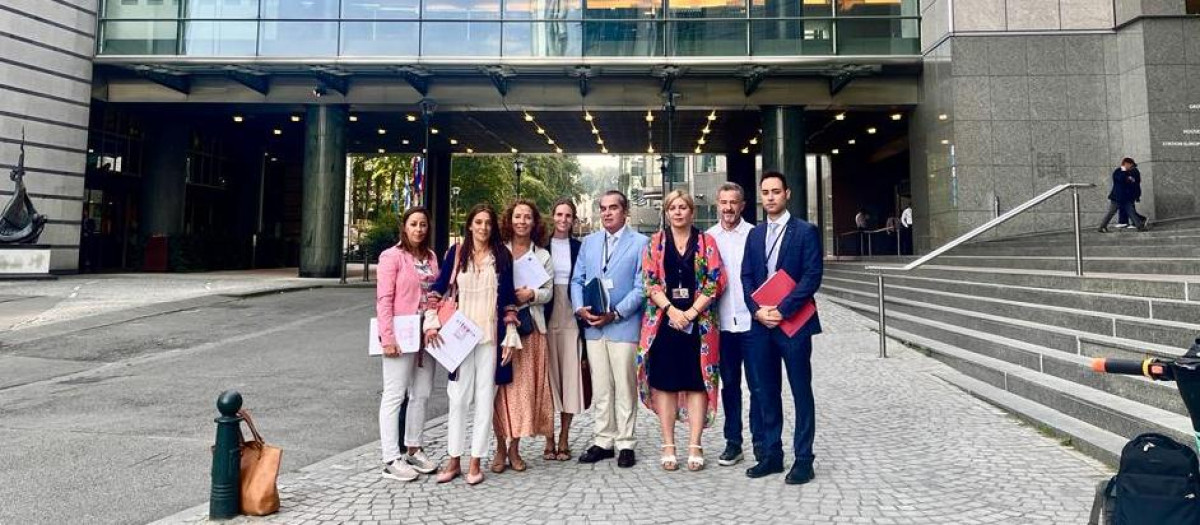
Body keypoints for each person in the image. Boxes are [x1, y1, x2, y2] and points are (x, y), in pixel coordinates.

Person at [425, 204, 520, 485]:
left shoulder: (502, 255)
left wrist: (510, 334)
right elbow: (439, 287)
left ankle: (476, 460)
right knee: (458, 399)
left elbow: (508, 298)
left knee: (484, 400)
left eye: (488, 223)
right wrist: (431, 320)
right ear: (469, 225)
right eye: (478, 222)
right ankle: (454, 458)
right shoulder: (456, 254)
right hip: (460, 338)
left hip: (490, 336)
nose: (483, 228)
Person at [741, 171, 824, 485]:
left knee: (801, 391)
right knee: (765, 391)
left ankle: (804, 459)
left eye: (776, 191)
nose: (770, 197)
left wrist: (782, 309)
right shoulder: (755, 234)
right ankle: (772, 455)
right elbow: (746, 277)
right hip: (761, 325)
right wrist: (758, 311)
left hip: (795, 324)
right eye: (765, 192)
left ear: (787, 194)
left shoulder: (805, 231)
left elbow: (811, 276)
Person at [637, 190, 726, 471]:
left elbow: (715, 281)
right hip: (664, 323)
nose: (677, 212)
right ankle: (668, 444)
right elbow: (649, 281)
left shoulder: (706, 242)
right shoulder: (655, 243)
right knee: (665, 383)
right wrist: (672, 311)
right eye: (672, 207)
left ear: (692, 212)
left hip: (698, 325)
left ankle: (695, 444)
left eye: (683, 207)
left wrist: (690, 312)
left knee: (696, 382)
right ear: (666, 212)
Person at [571, 190, 649, 468]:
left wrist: (615, 313)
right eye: (602, 208)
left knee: (625, 385)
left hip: (623, 325)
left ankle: (626, 442)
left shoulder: (641, 243)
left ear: (625, 210)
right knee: (602, 386)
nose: (606, 213)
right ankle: (603, 439)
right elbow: (577, 280)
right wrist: (580, 308)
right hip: (593, 327)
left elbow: (643, 287)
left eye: (613, 208)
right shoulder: (588, 243)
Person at [375, 207, 441, 482]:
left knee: (422, 393)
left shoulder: (432, 256)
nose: (418, 229)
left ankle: (414, 447)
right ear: (404, 227)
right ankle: (391, 457)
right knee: (394, 394)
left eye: (423, 224)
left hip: (427, 334)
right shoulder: (391, 257)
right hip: (401, 333)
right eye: (413, 224)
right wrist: (387, 337)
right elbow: (384, 300)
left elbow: (437, 291)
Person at [491, 199, 555, 474]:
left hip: (530, 329)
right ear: (509, 219)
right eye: (517, 216)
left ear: (534, 222)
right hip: (498, 328)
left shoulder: (542, 256)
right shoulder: (497, 251)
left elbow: (549, 292)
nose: (522, 221)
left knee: (521, 392)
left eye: (527, 217)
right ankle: (499, 447)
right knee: (498, 391)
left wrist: (531, 294)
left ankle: (514, 447)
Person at [705, 182, 757, 467]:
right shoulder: (708, 239)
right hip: (722, 325)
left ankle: (761, 442)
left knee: (759, 386)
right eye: (723, 202)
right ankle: (733, 442)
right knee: (730, 387)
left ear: (742, 205)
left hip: (752, 323)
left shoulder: (754, 235)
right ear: (717, 204)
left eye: (733, 202)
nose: (728, 208)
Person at [544, 198, 587, 461]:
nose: (563, 219)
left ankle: (564, 437)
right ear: (552, 216)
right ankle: (548, 437)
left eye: (568, 215)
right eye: (559, 214)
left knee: (569, 375)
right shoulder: (540, 245)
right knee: (549, 377)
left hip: (571, 313)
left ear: (574, 220)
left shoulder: (578, 248)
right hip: (546, 312)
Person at [1098, 158, 1148, 233]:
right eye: (1130, 165)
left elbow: (1134, 182)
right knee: (1111, 212)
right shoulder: (1119, 171)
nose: (1131, 167)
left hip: (1125, 197)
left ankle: (1140, 226)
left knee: (1131, 212)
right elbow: (1121, 179)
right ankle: (1102, 227)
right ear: (1126, 164)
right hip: (1117, 198)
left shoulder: (1130, 172)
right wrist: (1126, 174)